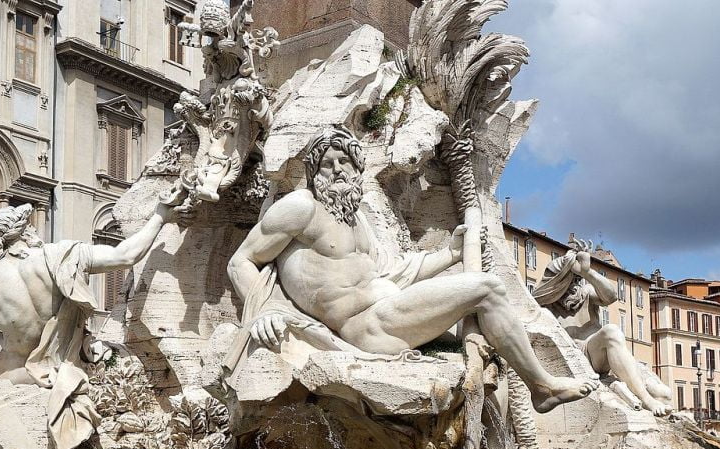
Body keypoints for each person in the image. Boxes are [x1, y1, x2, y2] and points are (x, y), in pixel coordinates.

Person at [226, 126, 599, 413]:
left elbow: (396, 274)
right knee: (487, 289)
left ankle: (515, 418)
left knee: (486, 331)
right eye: (328, 163)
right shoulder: (301, 207)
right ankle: (542, 387)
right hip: (365, 327)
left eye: (346, 163)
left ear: (358, 169)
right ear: (315, 171)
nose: (338, 171)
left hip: (390, 311)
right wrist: (263, 311)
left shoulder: (358, 222)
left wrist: (452, 254)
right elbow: (241, 260)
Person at [0, 201, 178, 449]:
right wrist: (160, 216)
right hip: (64, 363)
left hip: (16, 370)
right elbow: (126, 255)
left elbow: (11, 337)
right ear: (27, 230)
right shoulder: (60, 255)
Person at [533, 240, 672, 415]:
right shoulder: (545, 305)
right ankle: (646, 399)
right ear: (558, 282)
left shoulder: (585, 294)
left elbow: (612, 296)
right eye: (571, 279)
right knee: (612, 332)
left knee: (665, 394)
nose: (575, 285)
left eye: (577, 280)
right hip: (573, 360)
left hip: (597, 351)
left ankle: (647, 398)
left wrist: (587, 272)